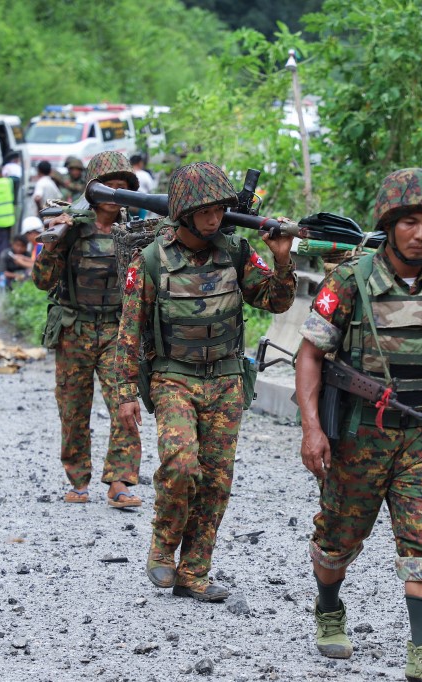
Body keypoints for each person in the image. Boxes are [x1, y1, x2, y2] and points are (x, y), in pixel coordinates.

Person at [293, 168, 422, 680]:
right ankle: (328, 608)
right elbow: (309, 355)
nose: (421, 233)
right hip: (361, 435)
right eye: (410, 221)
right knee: (339, 538)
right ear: (389, 224)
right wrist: (312, 429)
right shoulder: (349, 281)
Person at [117, 161, 297, 602]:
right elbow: (128, 331)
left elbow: (275, 301)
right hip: (173, 377)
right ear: (183, 212)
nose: (214, 219)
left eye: (220, 209)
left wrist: (281, 258)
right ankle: (163, 546)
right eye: (204, 211)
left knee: (216, 481)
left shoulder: (235, 251)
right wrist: (124, 396)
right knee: (180, 467)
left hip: (226, 380)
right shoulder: (153, 260)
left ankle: (194, 572)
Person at [32, 151, 142, 507]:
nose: (114, 193)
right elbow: (41, 280)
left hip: (116, 331)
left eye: (121, 187)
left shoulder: (134, 231)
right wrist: (54, 239)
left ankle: (120, 482)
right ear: (93, 190)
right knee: (73, 408)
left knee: (124, 405)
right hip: (75, 327)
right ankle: (78, 479)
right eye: (108, 186)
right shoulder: (71, 226)